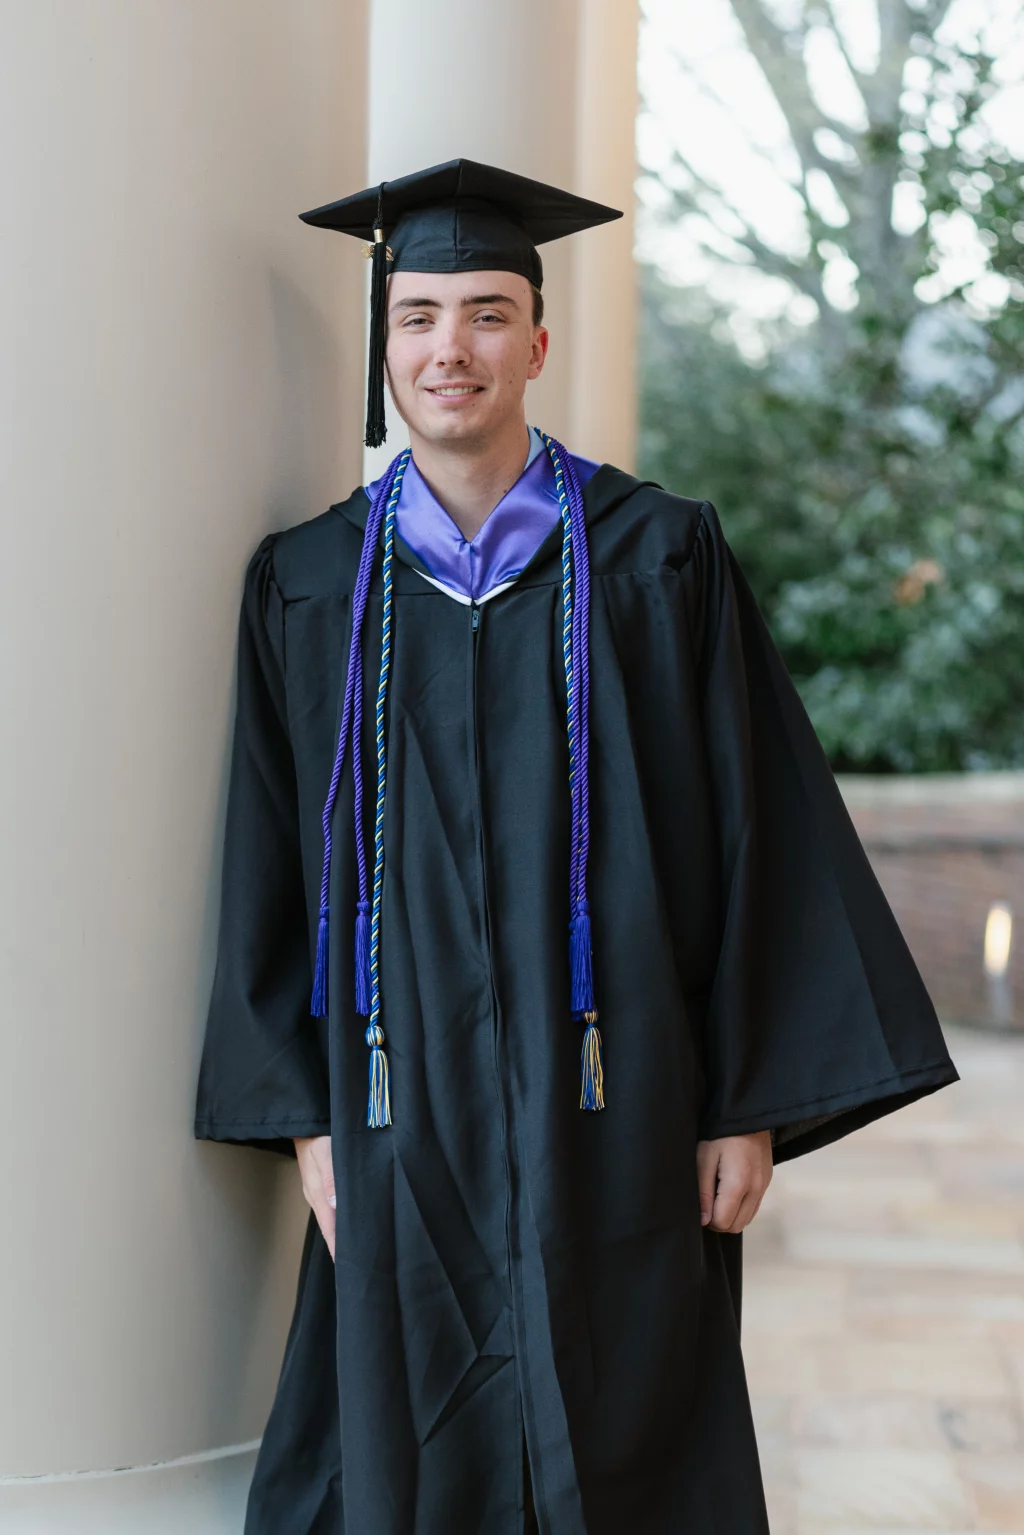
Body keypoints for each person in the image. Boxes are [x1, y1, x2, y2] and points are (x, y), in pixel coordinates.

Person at [194, 159, 957, 1535]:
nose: (450, 349)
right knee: (404, 1420)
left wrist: (747, 1098)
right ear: (386, 345)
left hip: (624, 1087)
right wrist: (303, 1116)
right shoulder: (310, 586)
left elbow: (753, 827)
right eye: (419, 315)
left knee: (630, 1413)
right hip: (395, 1090)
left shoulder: (658, 558)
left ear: (537, 341)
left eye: (487, 313)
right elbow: (267, 859)